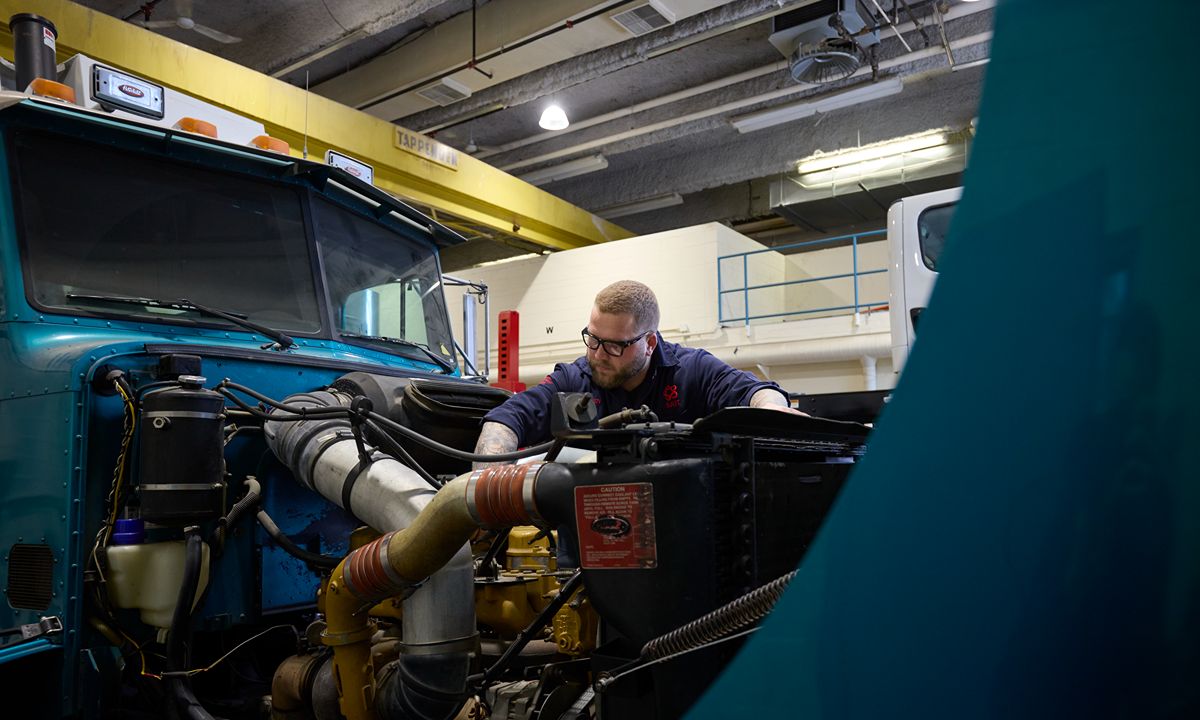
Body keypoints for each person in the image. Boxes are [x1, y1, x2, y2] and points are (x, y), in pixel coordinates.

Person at [474, 280, 803, 467]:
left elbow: (756, 391)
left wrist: (771, 412)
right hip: (585, 549)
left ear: (649, 342)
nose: (597, 355)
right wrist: (488, 477)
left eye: (614, 346)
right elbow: (509, 416)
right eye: (592, 339)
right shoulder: (575, 378)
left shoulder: (692, 371)